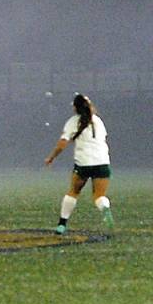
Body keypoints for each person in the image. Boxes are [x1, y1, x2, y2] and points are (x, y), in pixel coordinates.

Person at [44, 93, 114, 235]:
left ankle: (62, 225)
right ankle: (105, 208)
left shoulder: (73, 122)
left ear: (75, 108)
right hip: (102, 162)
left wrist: (51, 157)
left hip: (83, 163)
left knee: (73, 192)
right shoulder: (98, 121)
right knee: (99, 196)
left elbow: (62, 143)